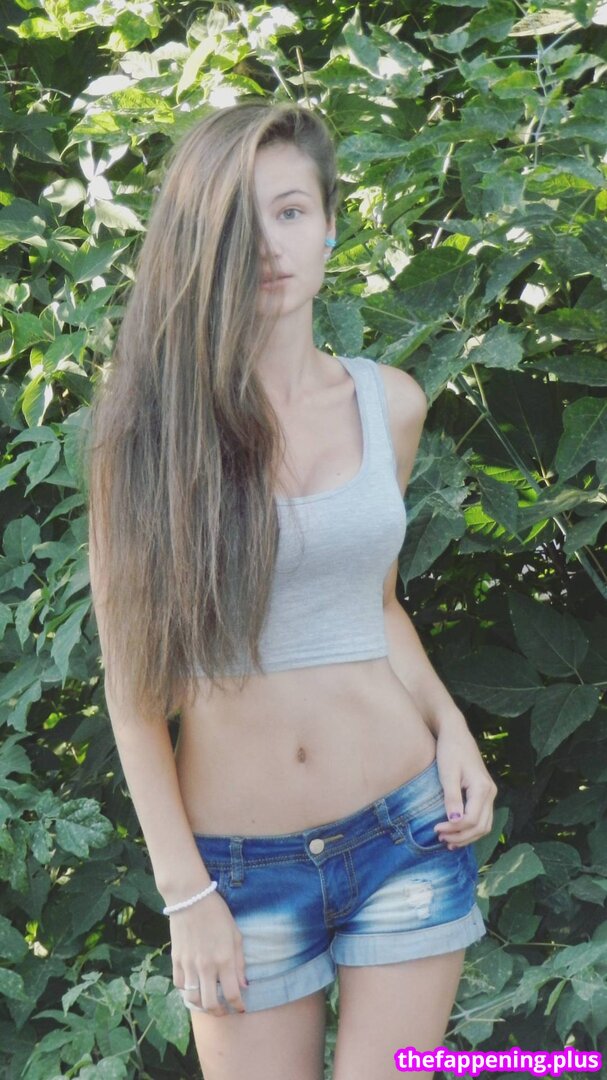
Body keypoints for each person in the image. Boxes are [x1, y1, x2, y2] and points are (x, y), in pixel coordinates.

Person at [86, 100, 497, 1080]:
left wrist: (452, 728)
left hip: (406, 833)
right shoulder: (144, 434)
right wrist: (186, 895)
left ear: (328, 227)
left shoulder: (390, 402)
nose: (269, 246)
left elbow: (376, 606)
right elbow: (133, 691)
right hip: (239, 871)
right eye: (241, 221)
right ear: (199, 242)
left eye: (291, 211)